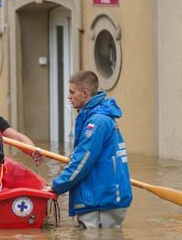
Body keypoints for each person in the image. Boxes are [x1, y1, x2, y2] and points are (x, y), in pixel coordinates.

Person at [45, 70, 132, 228]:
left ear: (85, 93)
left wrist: (57, 186)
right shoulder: (97, 117)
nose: (69, 97)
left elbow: (82, 162)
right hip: (104, 198)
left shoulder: (96, 122)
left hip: (100, 201)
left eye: (72, 92)